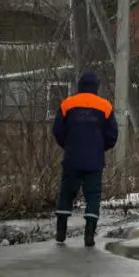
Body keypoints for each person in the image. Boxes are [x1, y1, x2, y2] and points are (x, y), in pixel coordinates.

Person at [52, 71, 118, 247]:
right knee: (93, 195)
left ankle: (61, 232)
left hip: (72, 158)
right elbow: (112, 134)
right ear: (96, 87)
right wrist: (100, 148)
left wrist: (68, 145)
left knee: (66, 193)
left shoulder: (68, 104)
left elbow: (57, 130)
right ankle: (89, 235)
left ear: (79, 86)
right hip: (94, 160)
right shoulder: (105, 106)